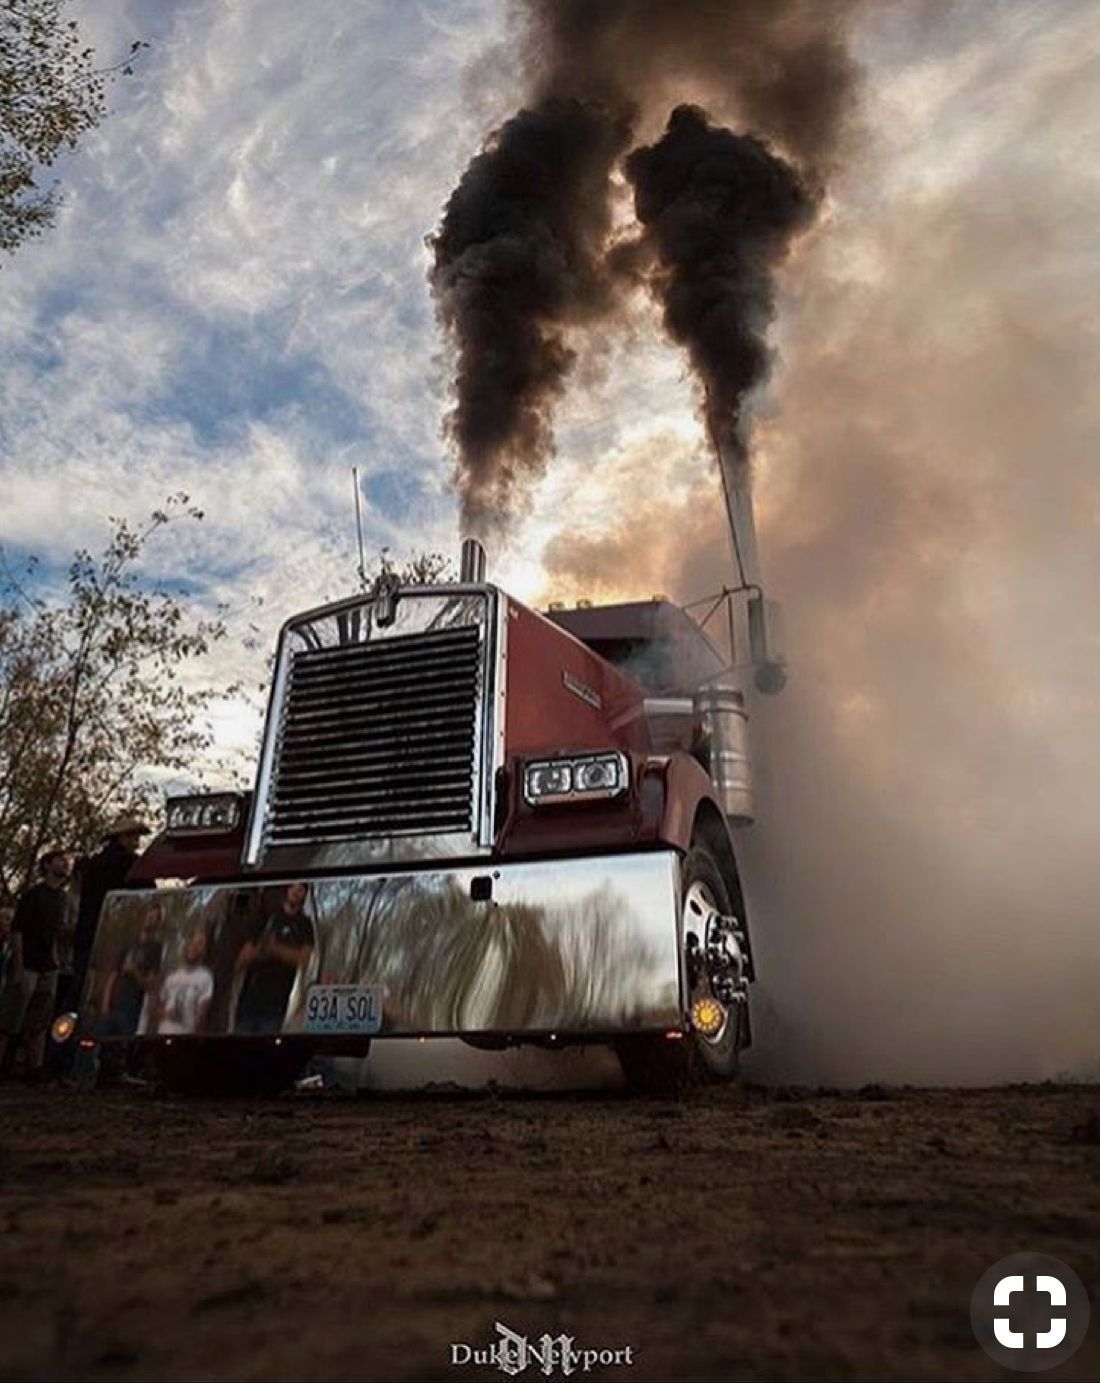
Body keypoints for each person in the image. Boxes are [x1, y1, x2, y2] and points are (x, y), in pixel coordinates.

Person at [0, 850, 72, 1082]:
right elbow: (18, 931)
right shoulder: (33, 896)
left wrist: (55, 960)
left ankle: (35, 1068)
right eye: (60, 861)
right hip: (28, 963)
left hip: (47, 966)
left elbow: (55, 932)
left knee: (40, 1020)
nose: (65, 864)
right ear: (48, 865)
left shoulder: (61, 898)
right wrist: (19, 966)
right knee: (11, 1018)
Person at [72, 814, 149, 1001]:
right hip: (118, 936)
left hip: (88, 933)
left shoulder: (90, 864)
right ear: (122, 838)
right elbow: (147, 894)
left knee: (82, 987)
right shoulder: (133, 864)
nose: (136, 842)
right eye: (133, 837)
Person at [234, 883, 315, 1035]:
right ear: (287, 890)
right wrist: (258, 952)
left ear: (304, 895)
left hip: (275, 1008)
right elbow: (242, 959)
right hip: (248, 1003)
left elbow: (304, 960)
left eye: (301, 889)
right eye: (293, 887)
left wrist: (276, 949)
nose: (296, 892)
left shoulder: (304, 925)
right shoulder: (267, 918)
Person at [99, 901, 165, 1038]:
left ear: (157, 924)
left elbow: (150, 985)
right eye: (149, 915)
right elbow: (113, 975)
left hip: (131, 1010)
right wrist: (105, 1005)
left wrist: (134, 971)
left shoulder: (156, 948)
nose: (150, 919)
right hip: (112, 1007)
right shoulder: (129, 943)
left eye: (154, 918)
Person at [155, 930, 213, 1036]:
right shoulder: (172, 976)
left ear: (204, 951)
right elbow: (158, 1005)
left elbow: (203, 1011)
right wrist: (166, 1014)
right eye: (192, 943)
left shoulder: (205, 977)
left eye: (199, 944)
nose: (194, 947)